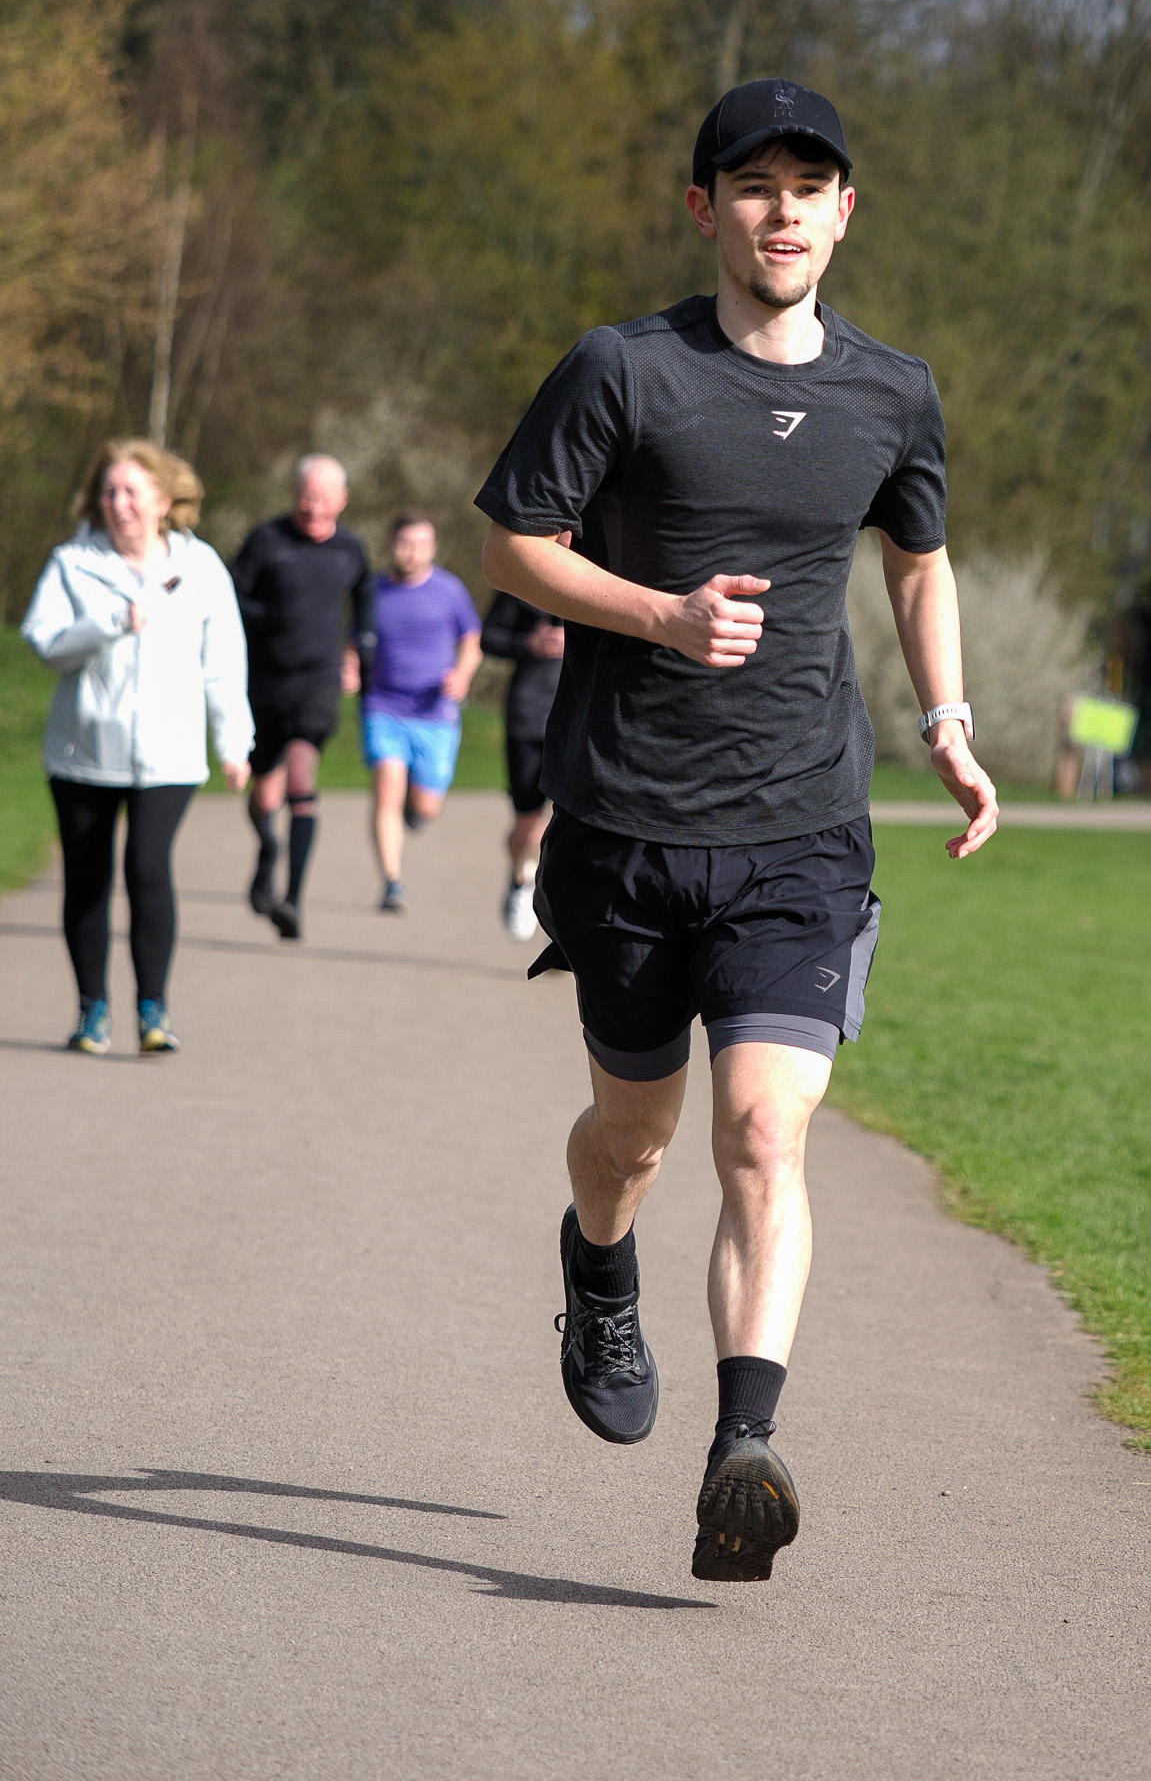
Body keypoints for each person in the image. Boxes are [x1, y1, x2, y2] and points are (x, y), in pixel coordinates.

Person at [477, 77, 998, 1585]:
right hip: (628, 823)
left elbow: (921, 563)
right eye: (752, 185)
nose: (782, 212)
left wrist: (948, 724)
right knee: (632, 1145)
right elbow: (514, 543)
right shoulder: (622, 370)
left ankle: (741, 1452)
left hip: (802, 828)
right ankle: (595, 1267)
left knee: (765, 1133)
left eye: (808, 186)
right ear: (707, 210)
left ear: (848, 212)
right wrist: (661, 615)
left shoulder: (893, 392)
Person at [20, 439, 253, 1054]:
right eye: (109, 491)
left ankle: (154, 1011)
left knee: (148, 868)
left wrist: (235, 741)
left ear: (162, 500)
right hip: (82, 754)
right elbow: (43, 643)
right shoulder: (72, 561)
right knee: (89, 880)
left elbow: (223, 661)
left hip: (169, 755)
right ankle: (91, 1010)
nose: (118, 502)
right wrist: (112, 622)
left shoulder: (200, 567)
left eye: (131, 491)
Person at [231, 454, 373, 939]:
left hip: (318, 682)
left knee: (300, 779)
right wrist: (268, 616)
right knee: (263, 792)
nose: (314, 508)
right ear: (295, 495)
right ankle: (268, 849)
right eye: (307, 497)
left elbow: (366, 608)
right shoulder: (266, 541)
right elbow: (231, 599)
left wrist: (356, 653)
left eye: (324, 499)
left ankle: (292, 900)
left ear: (342, 500)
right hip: (265, 682)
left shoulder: (351, 550)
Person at [362, 511, 482, 913]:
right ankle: (392, 882)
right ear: (390, 544)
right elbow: (354, 641)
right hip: (384, 705)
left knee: (427, 806)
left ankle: (417, 810)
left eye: (420, 544)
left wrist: (462, 675)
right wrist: (348, 667)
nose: (411, 552)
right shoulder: (373, 591)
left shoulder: (450, 590)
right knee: (385, 790)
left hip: (435, 712)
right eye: (404, 543)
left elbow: (471, 639)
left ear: (432, 548)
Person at [479, 585, 564, 940]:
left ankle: (560, 912)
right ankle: (519, 878)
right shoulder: (522, 577)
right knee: (528, 826)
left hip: (581, 717)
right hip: (528, 717)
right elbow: (489, 637)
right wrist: (529, 643)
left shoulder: (603, 568)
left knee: (572, 825)